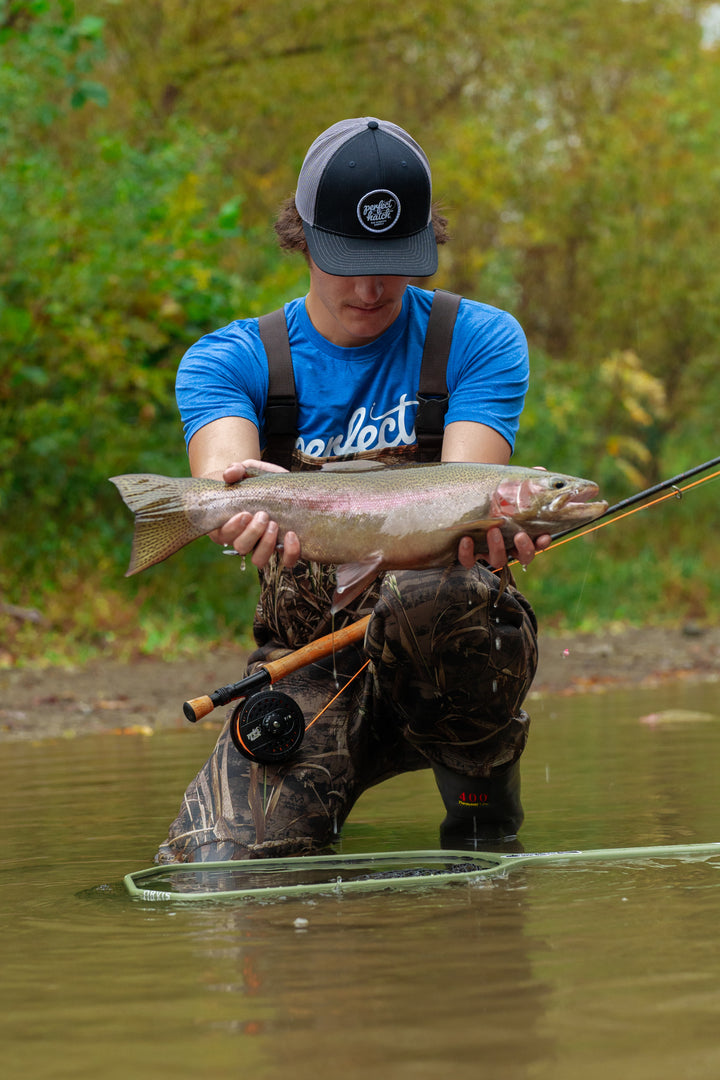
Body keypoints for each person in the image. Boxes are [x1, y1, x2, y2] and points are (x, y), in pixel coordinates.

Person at [156, 117, 550, 864]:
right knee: (221, 865)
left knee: (445, 593)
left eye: (394, 262)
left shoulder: (481, 339)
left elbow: (468, 492)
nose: (371, 288)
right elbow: (220, 472)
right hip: (309, 661)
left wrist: (511, 523)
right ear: (301, 237)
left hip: (448, 644)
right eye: (347, 260)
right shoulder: (231, 359)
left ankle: (481, 804)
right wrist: (229, 501)